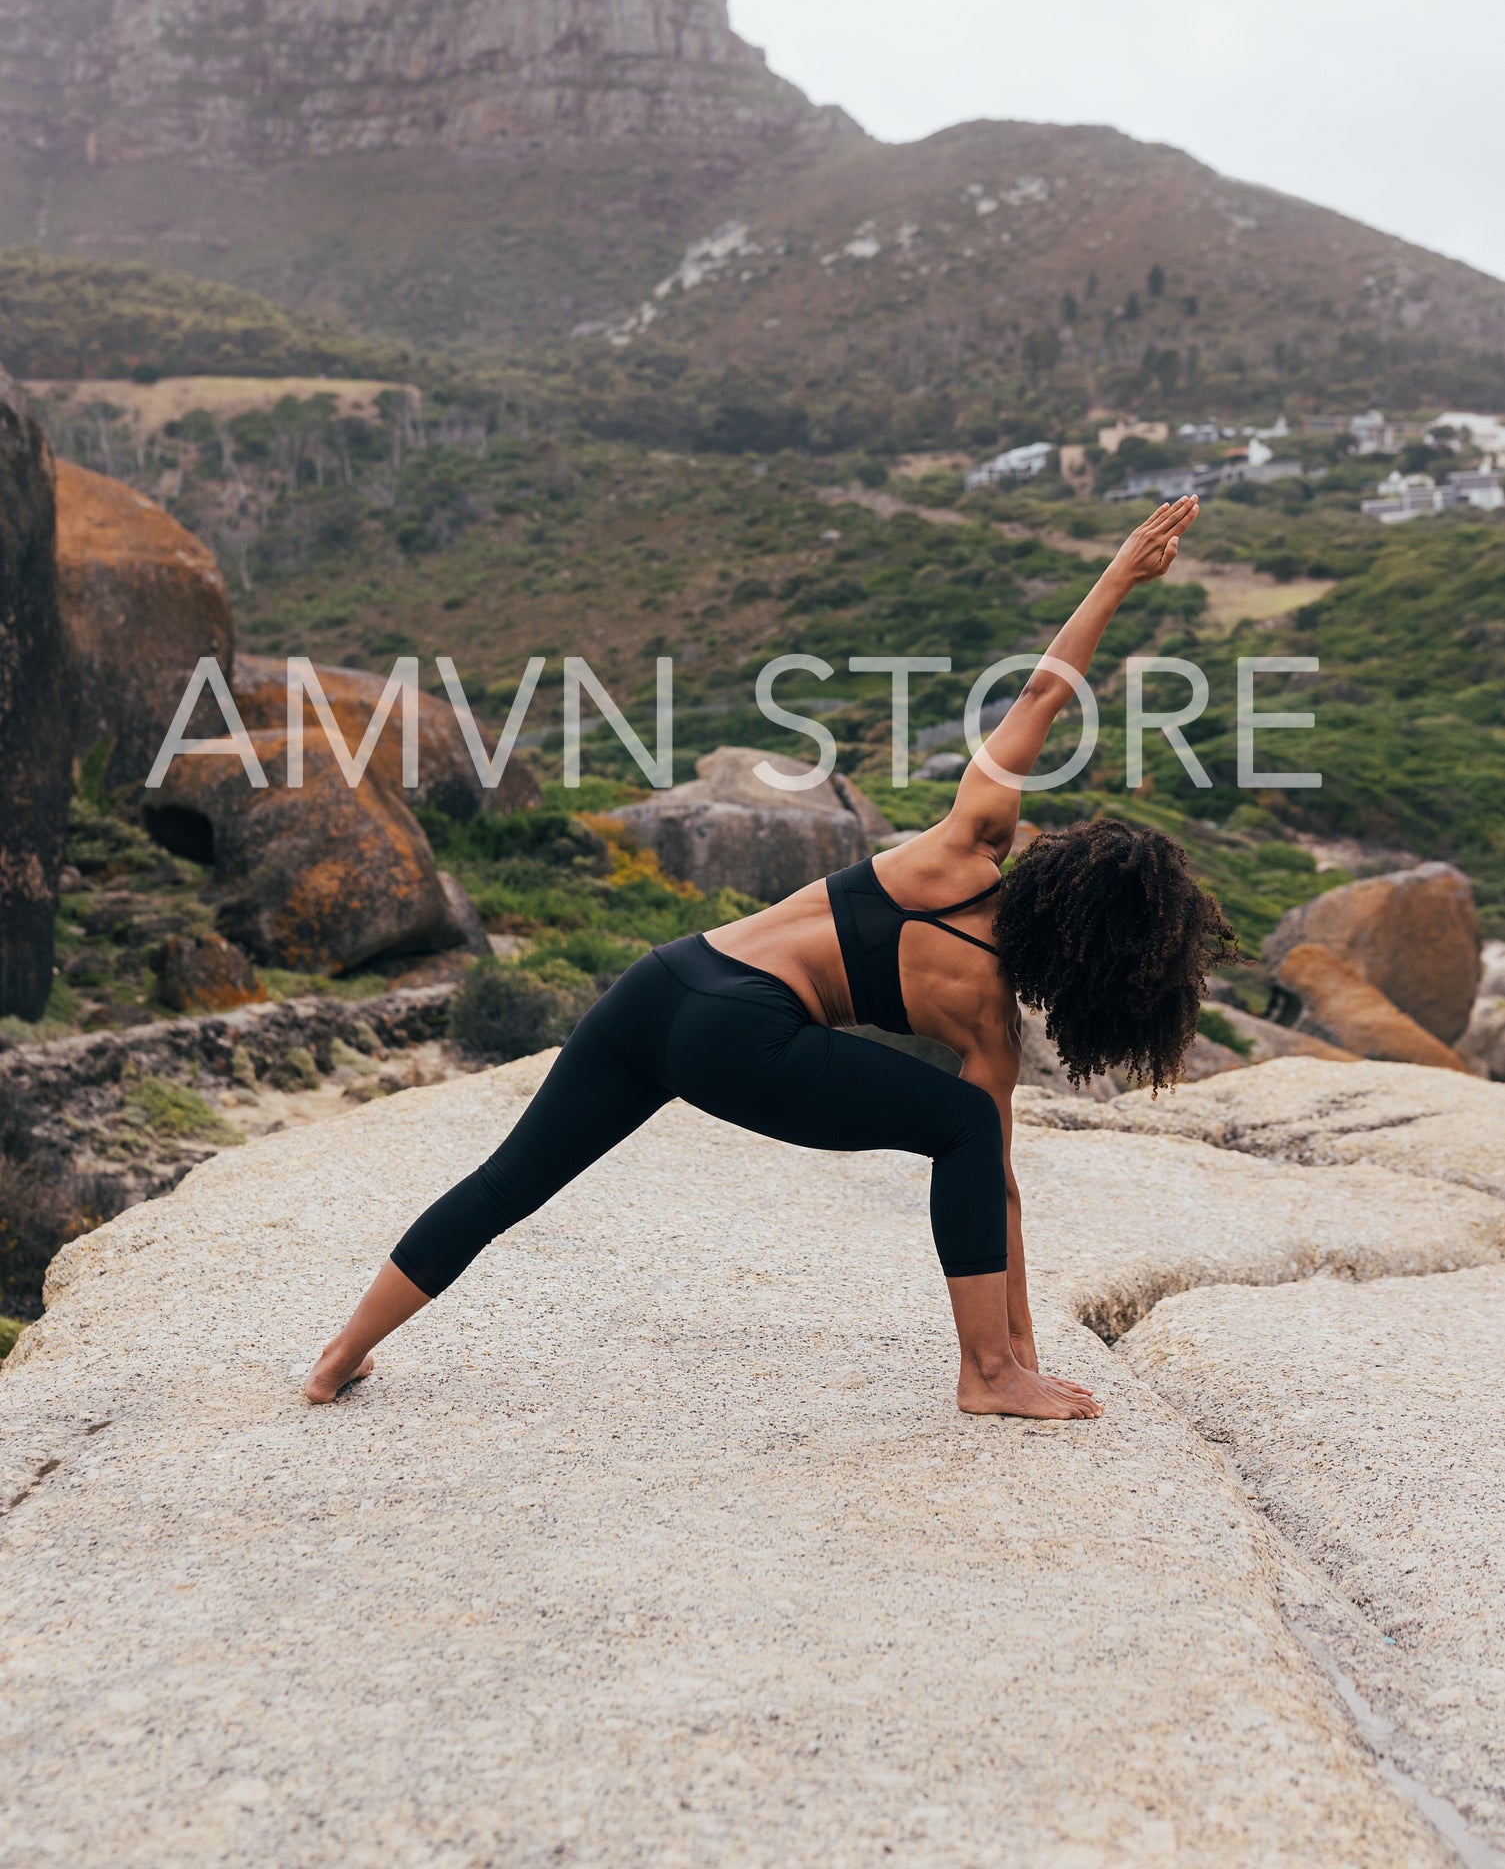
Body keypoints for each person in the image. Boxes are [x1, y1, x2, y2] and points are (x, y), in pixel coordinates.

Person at [306, 495, 1233, 1418]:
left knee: (511, 1179)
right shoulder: (988, 1027)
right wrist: (1010, 1357)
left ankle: (340, 1354)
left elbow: (1040, 692)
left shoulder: (966, 846)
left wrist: (1118, 573)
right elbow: (992, 1191)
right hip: (739, 1034)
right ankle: (984, 1377)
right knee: (964, 1129)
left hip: (659, 983)